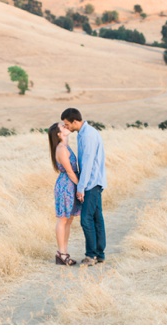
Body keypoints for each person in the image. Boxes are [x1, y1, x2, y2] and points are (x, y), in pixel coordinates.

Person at [61, 107, 107, 266]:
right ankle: (99, 254)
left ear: (75, 121)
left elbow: (87, 165)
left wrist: (81, 188)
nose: (66, 127)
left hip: (91, 183)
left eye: (67, 124)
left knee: (86, 220)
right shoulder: (85, 133)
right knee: (96, 218)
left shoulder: (87, 136)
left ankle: (91, 255)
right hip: (94, 181)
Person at [48, 122, 81, 266]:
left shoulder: (65, 146)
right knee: (63, 219)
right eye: (63, 126)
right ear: (58, 134)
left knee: (69, 220)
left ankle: (64, 252)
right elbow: (69, 171)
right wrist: (81, 187)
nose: (66, 126)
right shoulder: (61, 148)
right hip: (66, 185)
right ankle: (61, 254)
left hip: (70, 184)